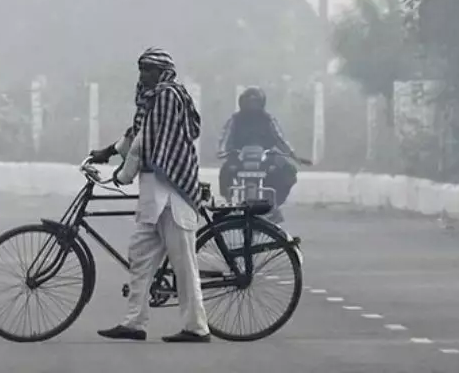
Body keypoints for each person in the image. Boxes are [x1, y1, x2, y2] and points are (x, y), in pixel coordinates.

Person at [88, 47, 210, 344]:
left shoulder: (167, 96)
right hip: (153, 195)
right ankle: (134, 323)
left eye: (149, 70)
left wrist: (123, 173)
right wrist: (110, 151)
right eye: (141, 69)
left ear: (162, 72)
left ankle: (196, 328)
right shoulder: (150, 99)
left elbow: (148, 142)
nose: (143, 75)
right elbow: (138, 132)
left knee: (184, 264)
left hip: (172, 193)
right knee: (140, 258)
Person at [216, 87, 309, 208]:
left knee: (289, 172)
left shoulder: (268, 119)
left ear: (262, 102)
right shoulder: (235, 119)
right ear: (242, 102)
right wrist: (221, 152)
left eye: (255, 101)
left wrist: (293, 155)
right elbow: (225, 137)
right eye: (249, 101)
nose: (252, 105)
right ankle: (229, 203)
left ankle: (274, 204)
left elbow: (279, 139)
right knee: (225, 173)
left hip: (266, 157)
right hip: (239, 157)